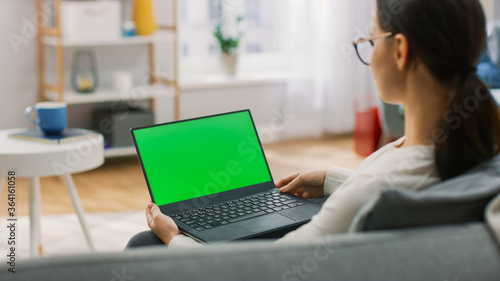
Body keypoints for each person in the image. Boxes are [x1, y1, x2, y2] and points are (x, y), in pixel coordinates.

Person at [126, 0, 500, 249]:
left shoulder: (372, 189)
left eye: (369, 41)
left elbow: (261, 271)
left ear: (400, 50)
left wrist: (175, 238)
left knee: (144, 245)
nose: (367, 54)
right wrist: (332, 178)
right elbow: (407, 191)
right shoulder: (479, 146)